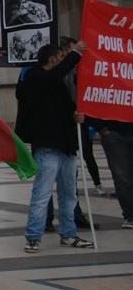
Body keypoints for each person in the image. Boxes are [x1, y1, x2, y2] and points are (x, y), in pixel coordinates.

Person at [19, 41, 95, 252]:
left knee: (69, 194)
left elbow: (66, 106)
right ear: (52, 59)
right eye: (61, 57)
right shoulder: (35, 77)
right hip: (47, 145)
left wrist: (76, 115)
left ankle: (68, 233)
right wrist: (75, 54)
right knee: (42, 192)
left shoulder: (58, 84)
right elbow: (52, 76)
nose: (63, 62)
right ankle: (33, 236)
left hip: (67, 146)